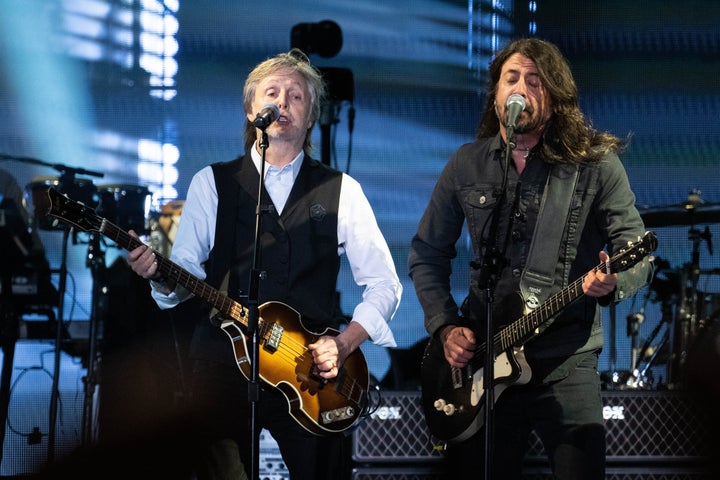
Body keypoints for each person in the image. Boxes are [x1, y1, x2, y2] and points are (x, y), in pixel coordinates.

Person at [125, 49, 401, 480]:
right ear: (252, 110)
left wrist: (345, 343)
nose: (283, 103)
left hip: (313, 371)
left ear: (310, 117)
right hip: (222, 364)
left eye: (295, 96)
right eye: (272, 93)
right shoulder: (212, 183)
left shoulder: (341, 190)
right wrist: (159, 275)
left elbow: (385, 283)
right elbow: (186, 272)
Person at [408, 38, 653, 480]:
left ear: (555, 97)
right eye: (512, 78)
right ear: (497, 93)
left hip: (566, 358)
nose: (521, 89)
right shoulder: (467, 164)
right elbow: (426, 253)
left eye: (535, 81)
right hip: (485, 358)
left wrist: (614, 280)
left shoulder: (594, 165)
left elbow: (634, 247)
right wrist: (444, 326)